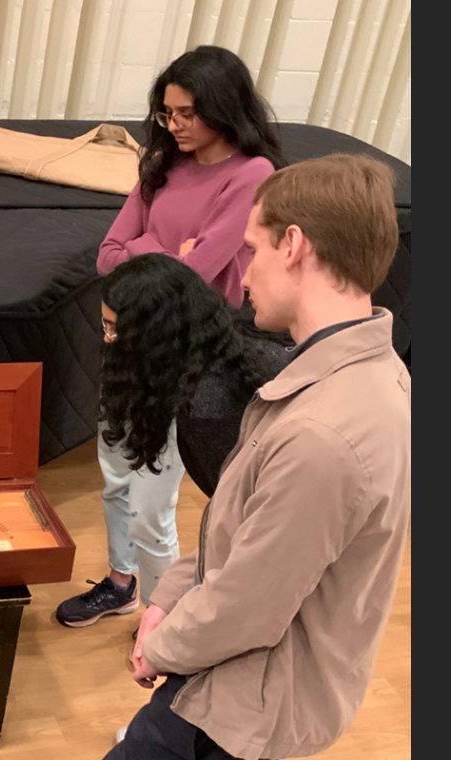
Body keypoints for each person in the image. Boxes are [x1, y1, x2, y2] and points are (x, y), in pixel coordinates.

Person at [112, 154, 411, 760]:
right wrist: (166, 598)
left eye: (253, 249)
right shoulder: (355, 377)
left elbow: (248, 607)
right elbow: (240, 524)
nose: (242, 274)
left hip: (241, 710)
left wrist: (158, 647)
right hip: (233, 686)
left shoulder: (324, 433)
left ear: (294, 246)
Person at [57, 45, 284, 626]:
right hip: (126, 342)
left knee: (152, 508)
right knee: (114, 481)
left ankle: (164, 627)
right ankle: (120, 584)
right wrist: (160, 253)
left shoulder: (252, 175)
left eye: (186, 113)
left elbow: (193, 273)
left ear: (222, 108)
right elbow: (109, 257)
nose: (174, 125)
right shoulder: (161, 164)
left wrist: (149, 254)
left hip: (185, 355)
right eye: (166, 113)